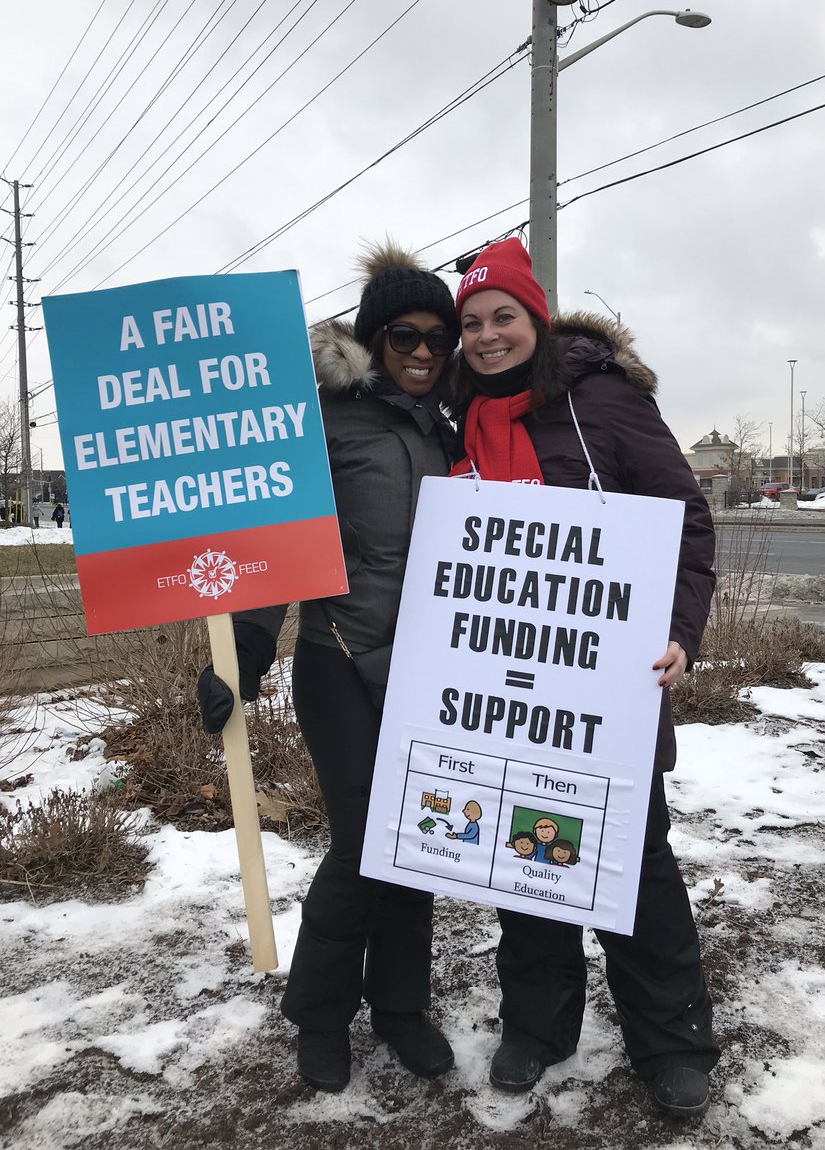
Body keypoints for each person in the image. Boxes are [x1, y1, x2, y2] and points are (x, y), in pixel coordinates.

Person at [449, 238, 719, 1117]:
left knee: (634, 866)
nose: (488, 337)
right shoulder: (460, 415)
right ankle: (537, 1026)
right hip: (508, 693)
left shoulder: (604, 401)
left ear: (535, 317)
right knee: (525, 863)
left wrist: (681, 633)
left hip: (608, 691)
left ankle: (673, 1044)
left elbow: (686, 521)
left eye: (503, 318)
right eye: (473, 323)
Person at [197, 243, 460, 1093]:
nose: (424, 352)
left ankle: (401, 1007)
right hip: (339, 661)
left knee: (419, 843)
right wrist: (242, 651)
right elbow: (280, 550)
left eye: (438, 337)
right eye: (405, 337)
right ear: (375, 339)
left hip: (425, 671)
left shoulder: (449, 428)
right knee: (360, 842)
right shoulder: (321, 421)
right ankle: (319, 1014)